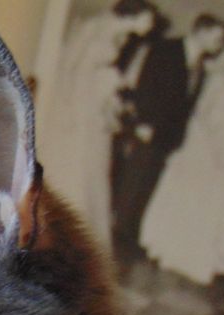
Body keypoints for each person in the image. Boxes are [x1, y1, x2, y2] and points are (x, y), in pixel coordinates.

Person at [110, 13, 224, 270]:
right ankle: (115, 241)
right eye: (218, 38)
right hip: (149, 129)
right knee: (133, 184)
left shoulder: (200, 66)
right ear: (202, 30)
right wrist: (143, 122)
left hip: (169, 137)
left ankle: (129, 238)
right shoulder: (167, 49)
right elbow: (146, 85)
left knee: (146, 188)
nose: (220, 44)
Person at [43, 0, 156, 245]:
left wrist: (110, 96)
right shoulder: (96, 29)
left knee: (95, 165)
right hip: (80, 107)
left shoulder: (118, 34)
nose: (151, 25)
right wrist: (72, 111)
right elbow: (74, 71)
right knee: (79, 165)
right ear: (136, 13)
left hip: (93, 104)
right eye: (149, 19)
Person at [140, 44, 224, 285]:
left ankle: (192, 257)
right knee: (189, 201)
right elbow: (212, 121)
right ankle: (171, 252)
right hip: (204, 154)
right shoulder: (223, 83)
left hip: (219, 157)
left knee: (207, 207)